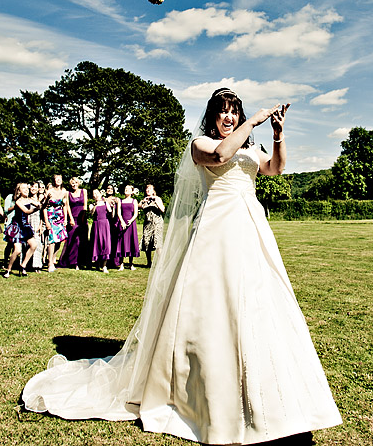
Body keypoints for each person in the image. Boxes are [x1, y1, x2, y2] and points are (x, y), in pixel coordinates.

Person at [23, 87, 341, 444]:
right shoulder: (200, 144)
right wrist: (253, 122)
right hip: (215, 231)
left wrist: (278, 136)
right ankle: (195, 390)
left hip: (250, 229)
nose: (229, 117)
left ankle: (266, 391)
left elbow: (275, 169)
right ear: (212, 116)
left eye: (234, 112)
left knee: (259, 301)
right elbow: (221, 154)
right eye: (223, 112)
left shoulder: (251, 147)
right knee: (212, 306)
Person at [2, 183, 43, 278]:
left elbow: (40, 205)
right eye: (23, 188)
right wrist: (36, 209)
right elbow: (27, 211)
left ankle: (23, 265)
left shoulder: (29, 199)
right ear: (19, 191)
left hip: (25, 227)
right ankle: (8, 269)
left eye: (26, 188)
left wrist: (44, 202)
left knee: (34, 245)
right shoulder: (18, 202)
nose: (26, 190)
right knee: (17, 250)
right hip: (17, 227)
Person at [59, 177, 89, 269]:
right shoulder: (68, 193)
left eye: (76, 182)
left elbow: (85, 205)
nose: (74, 184)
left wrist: (83, 218)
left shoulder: (84, 191)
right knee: (73, 241)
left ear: (79, 183)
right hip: (73, 219)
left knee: (83, 241)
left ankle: (82, 262)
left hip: (82, 218)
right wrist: (70, 219)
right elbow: (67, 206)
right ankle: (73, 262)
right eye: (72, 183)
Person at [43, 175, 69, 271]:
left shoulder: (64, 192)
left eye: (60, 179)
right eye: (56, 179)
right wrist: (46, 221)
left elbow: (65, 206)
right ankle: (49, 263)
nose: (58, 180)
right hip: (51, 217)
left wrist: (66, 218)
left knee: (60, 239)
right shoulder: (49, 192)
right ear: (53, 181)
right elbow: (44, 208)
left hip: (60, 218)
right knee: (52, 240)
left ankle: (53, 258)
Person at [139, 184, 164, 267]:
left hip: (157, 223)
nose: (148, 190)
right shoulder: (144, 200)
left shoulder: (157, 199)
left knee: (157, 242)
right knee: (146, 242)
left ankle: (160, 263)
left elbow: (163, 209)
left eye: (149, 189)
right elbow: (138, 206)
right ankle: (149, 262)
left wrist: (155, 201)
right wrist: (143, 201)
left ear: (153, 191)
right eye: (146, 189)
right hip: (147, 223)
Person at [115, 185, 140, 271]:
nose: (126, 190)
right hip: (122, 224)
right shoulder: (120, 201)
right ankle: (121, 264)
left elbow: (136, 213)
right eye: (125, 189)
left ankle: (131, 264)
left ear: (132, 192)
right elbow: (119, 212)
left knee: (131, 242)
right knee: (122, 242)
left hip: (131, 224)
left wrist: (131, 220)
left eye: (128, 189)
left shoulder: (134, 201)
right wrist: (122, 221)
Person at [88, 189, 112, 274]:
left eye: (97, 193)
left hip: (105, 224)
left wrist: (107, 202)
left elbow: (110, 211)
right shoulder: (91, 205)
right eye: (94, 194)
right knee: (97, 243)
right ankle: (97, 264)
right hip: (96, 225)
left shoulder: (105, 203)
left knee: (105, 243)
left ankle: (104, 265)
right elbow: (91, 213)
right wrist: (96, 205)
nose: (96, 195)